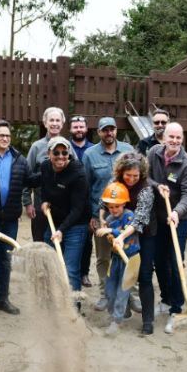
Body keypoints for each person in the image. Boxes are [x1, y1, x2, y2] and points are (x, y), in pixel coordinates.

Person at [0, 120, 41, 316]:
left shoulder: (19, 160)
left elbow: (29, 181)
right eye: (0, 135)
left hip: (10, 219)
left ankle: (3, 299)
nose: (4, 139)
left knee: (5, 260)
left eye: (7, 136)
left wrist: (47, 170)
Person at [146, 122, 187, 335]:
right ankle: (166, 299)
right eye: (171, 137)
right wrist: (158, 186)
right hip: (157, 216)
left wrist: (177, 212)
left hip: (178, 218)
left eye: (178, 138)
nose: (174, 141)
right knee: (159, 259)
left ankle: (176, 309)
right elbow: (144, 177)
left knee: (175, 261)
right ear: (163, 137)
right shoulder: (153, 152)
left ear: (182, 139)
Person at [83, 116, 134, 311]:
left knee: (128, 253)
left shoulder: (128, 151)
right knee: (104, 257)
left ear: (116, 130)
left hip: (125, 215)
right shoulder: (90, 154)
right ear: (99, 132)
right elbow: (86, 188)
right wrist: (92, 216)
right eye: (105, 130)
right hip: (101, 216)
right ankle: (105, 294)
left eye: (112, 129)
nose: (109, 133)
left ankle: (129, 295)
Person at [111, 152, 156, 334]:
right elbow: (103, 203)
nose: (131, 179)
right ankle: (122, 312)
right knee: (120, 273)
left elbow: (139, 220)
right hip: (121, 234)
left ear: (142, 174)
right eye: (127, 175)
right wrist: (106, 224)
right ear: (121, 172)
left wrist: (121, 237)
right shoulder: (114, 184)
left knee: (144, 275)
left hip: (144, 235)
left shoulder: (146, 189)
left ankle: (148, 320)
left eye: (135, 176)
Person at [40, 136, 90, 295]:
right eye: (56, 152)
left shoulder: (78, 174)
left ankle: (74, 307)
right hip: (54, 222)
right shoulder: (45, 166)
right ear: (49, 153)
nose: (61, 156)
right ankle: (55, 300)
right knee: (50, 263)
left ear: (69, 153)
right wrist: (44, 201)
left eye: (64, 152)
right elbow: (45, 186)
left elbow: (78, 209)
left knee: (70, 268)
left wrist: (61, 230)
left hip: (76, 225)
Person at [24, 107, 76, 243]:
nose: (54, 123)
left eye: (57, 120)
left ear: (62, 123)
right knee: (40, 243)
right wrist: (27, 202)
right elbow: (27, 176)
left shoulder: (68, 146)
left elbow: (76, 172)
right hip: (41, 205)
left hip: (64, 206)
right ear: (45, 123)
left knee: (60, 242)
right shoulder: (36, 147)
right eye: (51, 120)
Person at [95, 182, 140, 336]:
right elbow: (109, 236)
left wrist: (111, 230)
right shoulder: (109, 218)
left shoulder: (129, 215)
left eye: (117, 206)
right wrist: (107, 233)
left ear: (124, 203)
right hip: (116, 259)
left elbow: (128, 230)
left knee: (123, 291)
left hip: (131, 259)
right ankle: (114, 314)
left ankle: (117, 321)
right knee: (109, 289)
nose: (114, 210)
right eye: (111, 206)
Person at [69, 115, 95, 288]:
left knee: (86, 239)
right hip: (68, 201)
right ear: (71, 129)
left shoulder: (93, 149)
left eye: (81, 127)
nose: (79, 129)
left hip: (87, 202)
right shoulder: (64, 148)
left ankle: (84, 273)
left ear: (86, 129)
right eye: (75, 127)